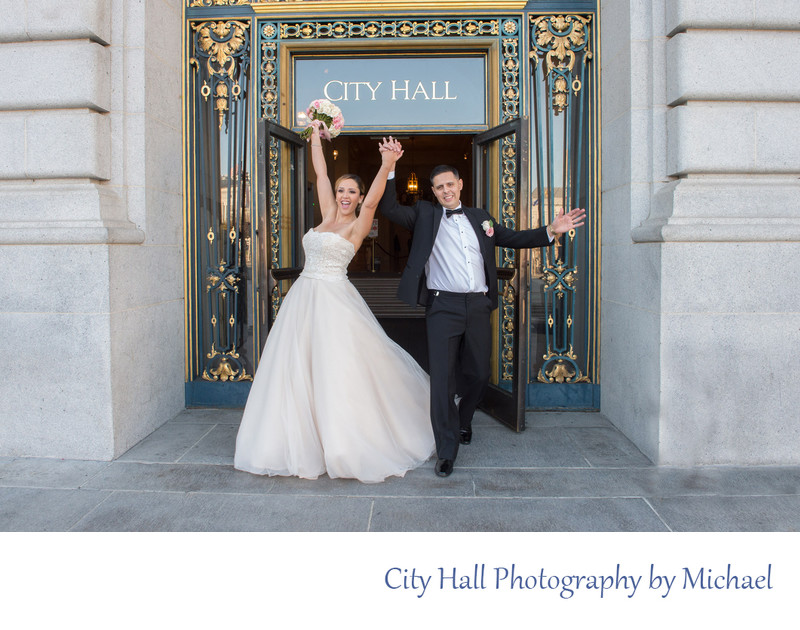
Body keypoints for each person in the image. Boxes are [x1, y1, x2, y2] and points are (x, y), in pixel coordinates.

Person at [234, 124, 434, 483]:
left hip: (334, 302)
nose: (344, 195)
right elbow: (321, 171)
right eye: (342, 189)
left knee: (336, 370)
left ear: (358, 198)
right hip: (302, 301)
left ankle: (342, 443)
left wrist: (387, 165)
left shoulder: (358, 225)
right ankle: (295, 439)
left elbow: (375, 200)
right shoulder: (326, 213)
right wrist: (315, 136)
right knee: (296, 370)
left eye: (351, 191)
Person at [377, 139, 586, 477]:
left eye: (450, 184)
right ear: (432, 191)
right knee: (442, 380)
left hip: (476, 305)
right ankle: (446, 449)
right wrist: (390, 167)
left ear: (460, 185)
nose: (446, 190)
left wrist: (550, 230)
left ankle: (464, 419)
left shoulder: (481, 218)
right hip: (442, 306)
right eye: (439, 187)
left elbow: (513, 238)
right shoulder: (425, 215)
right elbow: (387, 209)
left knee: (478, 374)